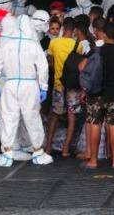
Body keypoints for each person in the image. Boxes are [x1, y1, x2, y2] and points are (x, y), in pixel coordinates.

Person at [0, 15, 53, 167]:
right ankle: (38, 152)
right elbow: (43, 66)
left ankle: (7, 153)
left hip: (10, 84)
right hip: (29, 85)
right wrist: (44, 86)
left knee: (8, 118)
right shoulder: (33, 44)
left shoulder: (5, 44)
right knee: (32, 117)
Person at [83, 22, 114, 169]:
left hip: (96, 94)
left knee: (95, 125)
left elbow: (82, 67)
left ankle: (93, 161)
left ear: (104, 34)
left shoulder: (96, 51)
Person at [45, 17, 83, 154]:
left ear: (62, 28)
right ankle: (66, 149)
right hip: (73, 85)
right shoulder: (78, 45)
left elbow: (50, 62)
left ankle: (48, 146)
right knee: (72, 115)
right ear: (74, 31)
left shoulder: (54, 43)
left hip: (58, 84)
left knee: (54, 114)